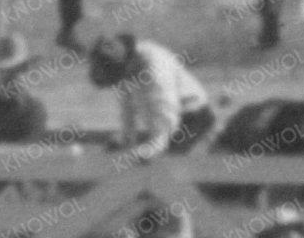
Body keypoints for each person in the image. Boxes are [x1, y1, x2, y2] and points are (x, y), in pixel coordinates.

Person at [86, 32, 214, 154]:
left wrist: (152, 148)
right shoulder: (124, 62)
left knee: (167, 161)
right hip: (161, 118)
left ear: (129, 65)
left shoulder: (157, 72)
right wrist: (125, 137)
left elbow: (167, 123)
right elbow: (126, 106)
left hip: (191, 116)